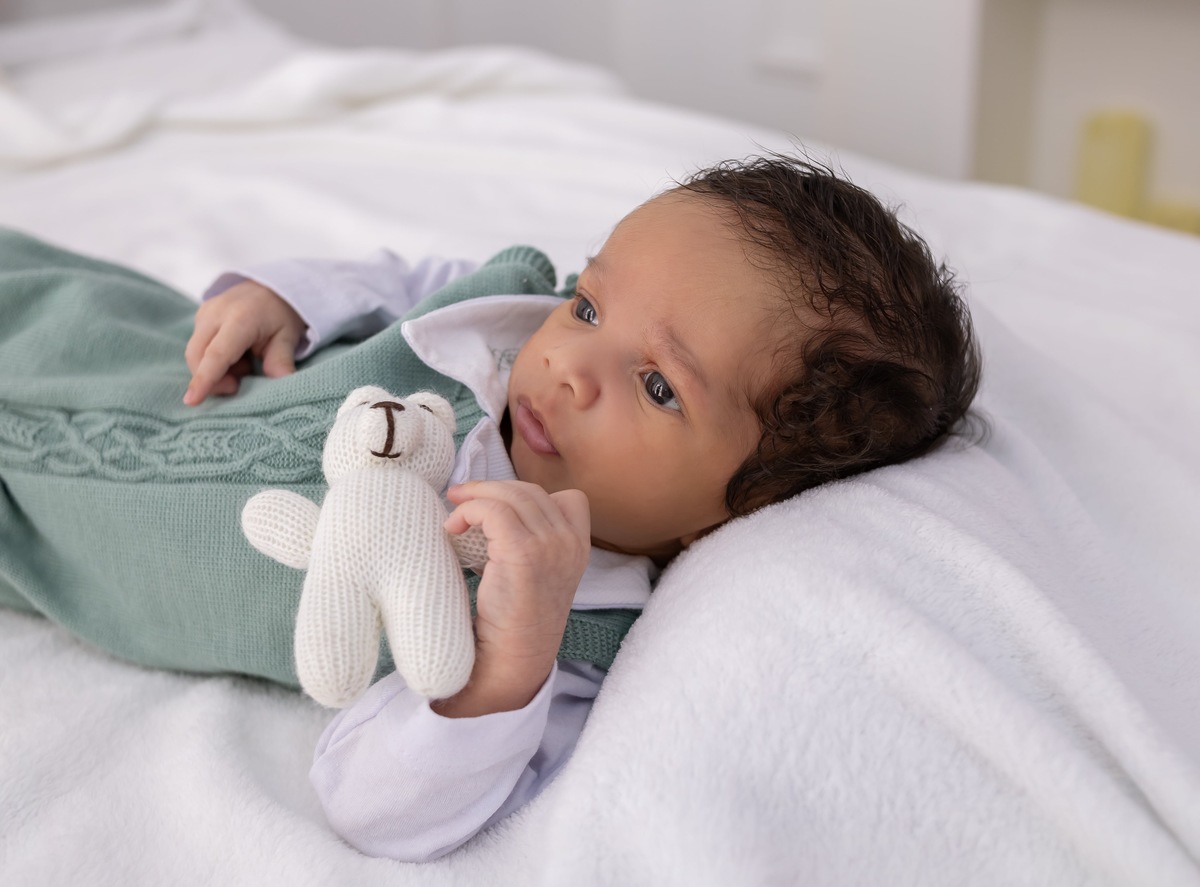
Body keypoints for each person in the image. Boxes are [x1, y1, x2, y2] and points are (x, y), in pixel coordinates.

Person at [2, 154, 981, 861]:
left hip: (37, 536)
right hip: (101, 340)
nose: (570, 365)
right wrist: (289, 293)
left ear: (739, 512)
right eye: (592, 306)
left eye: (658, 386)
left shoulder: (570, 631)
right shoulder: (507, 321)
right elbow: (410, 283)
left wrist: (504, 670)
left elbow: (376, 807)